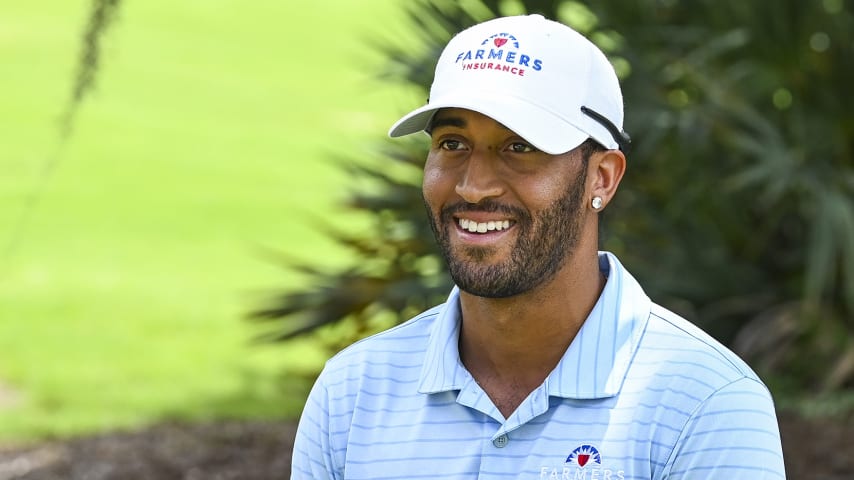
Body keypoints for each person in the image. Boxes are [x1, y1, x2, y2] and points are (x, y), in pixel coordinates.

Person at [291, 14, 785, 479]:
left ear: (603, 177)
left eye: (520, 147)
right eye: (452, 143)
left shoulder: (707, 401)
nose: (473, 186)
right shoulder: (353, 392)